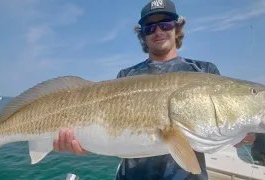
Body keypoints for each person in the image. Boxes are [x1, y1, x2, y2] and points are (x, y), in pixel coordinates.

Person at [53, 0, 254, 179]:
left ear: (177, 28)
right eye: (149, 27)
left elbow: (220, 130)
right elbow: (109, 133)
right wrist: (83, 145)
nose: (158, 31)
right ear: (142, 34)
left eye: (165, 24)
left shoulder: (204, 72)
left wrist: (239, 135)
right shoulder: (126, 76)